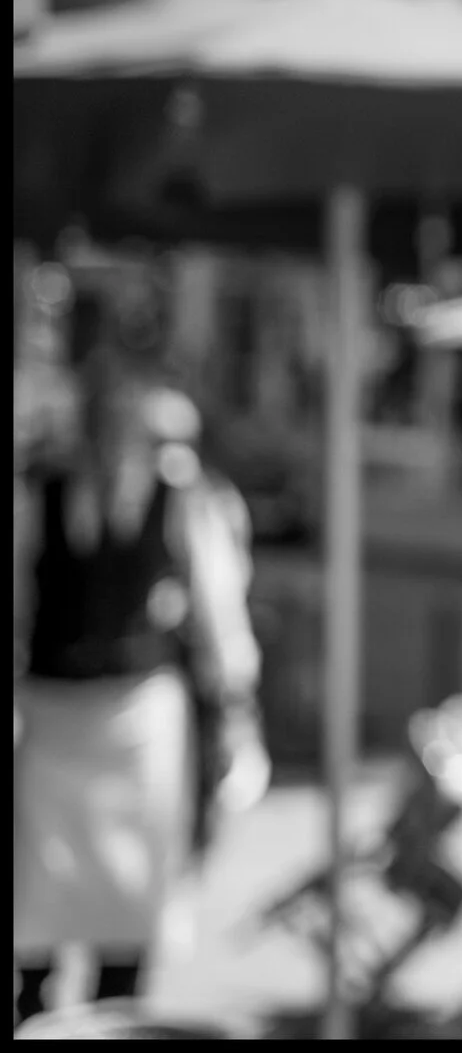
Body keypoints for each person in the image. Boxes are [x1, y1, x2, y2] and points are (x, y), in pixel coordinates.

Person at [14, 279, 266, 1029]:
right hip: (55, 720)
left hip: (138, 722)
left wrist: (235, 708)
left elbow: (218, 612)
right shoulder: (40, 496)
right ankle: (37, 1012)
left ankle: (117, 1013)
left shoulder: (179, 497)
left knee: (130, 903)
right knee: (37, 904)